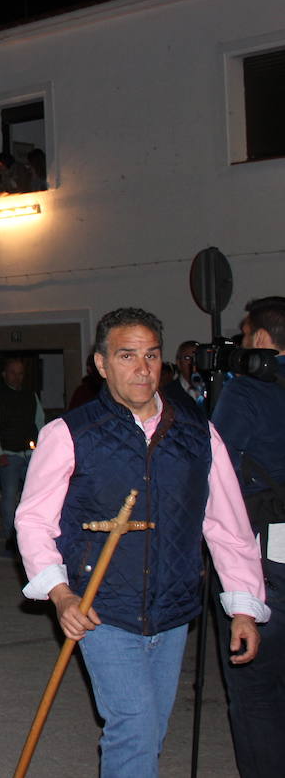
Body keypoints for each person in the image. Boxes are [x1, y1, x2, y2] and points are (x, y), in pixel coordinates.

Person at [16, 306, 267, 777]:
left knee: (151, 731)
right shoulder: (70, 434)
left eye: (151, 355)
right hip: (100, 607)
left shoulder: (198, 434)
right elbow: (33, 522)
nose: (142, 368)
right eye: (127, 356)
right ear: (101, 363)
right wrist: (61, 592)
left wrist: (244, 607)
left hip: (172, 607)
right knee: (132, 727)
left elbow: (227, 525)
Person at [211, 296, 285, 777]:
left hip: (267, 551)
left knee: (256, 688)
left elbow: (216, 467)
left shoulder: (249, 390)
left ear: (259, 338)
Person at [0, 356, 45, 550]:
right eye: (12, 372)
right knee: (9, 497)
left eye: (20, 373)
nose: (17, 377)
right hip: (8, 454)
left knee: (34, 496)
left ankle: (34, 534)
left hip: (30, 454)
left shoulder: (31, 395)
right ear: (4, 374)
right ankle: (11, 536)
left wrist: (43, 450)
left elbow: (40, 422)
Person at [174, 340, 205, 405]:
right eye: (187, 358)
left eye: (196, 357)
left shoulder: (213, 389)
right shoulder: (168, 392)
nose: (192, 362)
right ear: (178, 362)